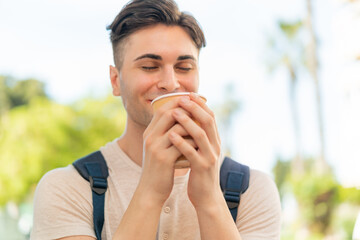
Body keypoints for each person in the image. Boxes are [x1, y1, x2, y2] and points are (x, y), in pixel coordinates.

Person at [30, 0, 281, 239]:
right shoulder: (67, 188)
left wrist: (210, 200)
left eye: (184, 67)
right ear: (116, 81)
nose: (171, 83)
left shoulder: (252, 190)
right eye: (149, 66)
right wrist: (150, 192)